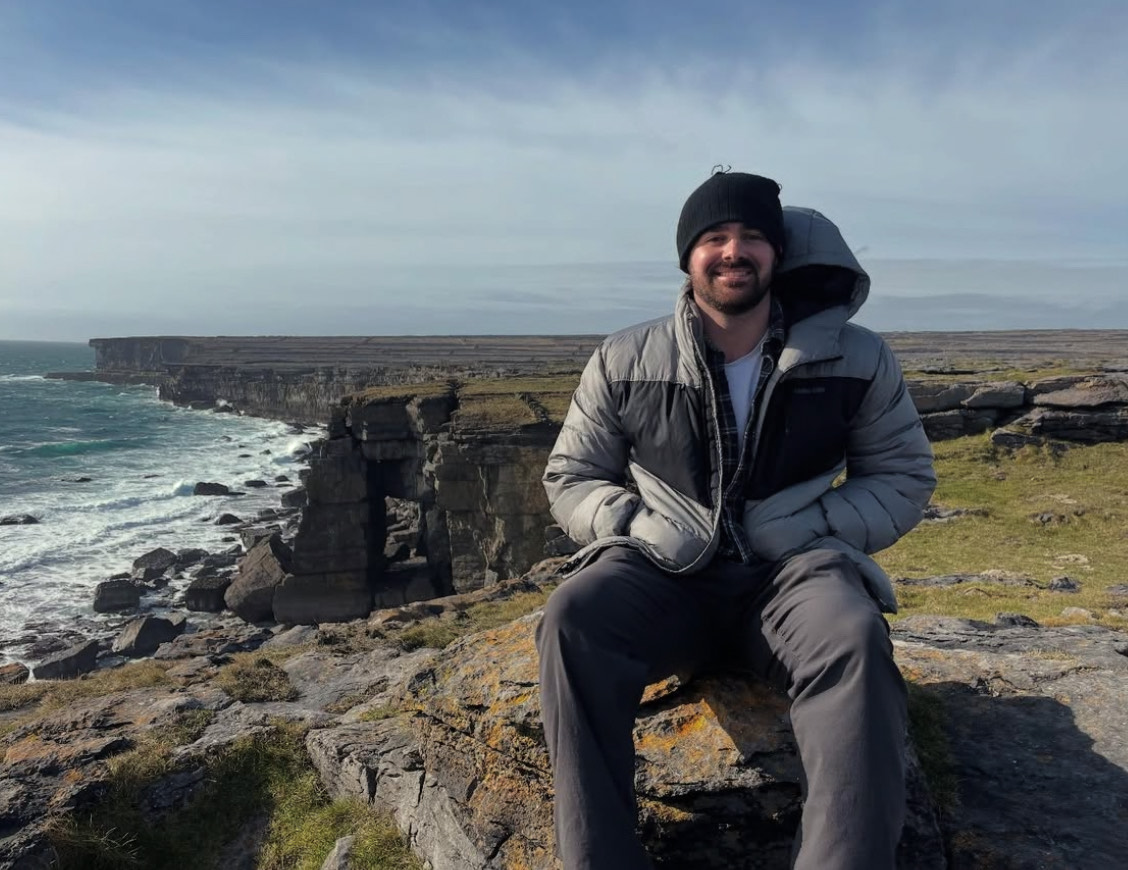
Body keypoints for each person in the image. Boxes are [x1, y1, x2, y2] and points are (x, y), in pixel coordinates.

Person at [536, 169, 937, 870]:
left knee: (852, 636)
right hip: (661, 575)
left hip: (791, 578)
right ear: (687, 256)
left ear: (778, 254)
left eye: (752, 236)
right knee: (571, 619)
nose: (733, 251)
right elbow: (571, 477)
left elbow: (902, 476)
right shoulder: (626, 356)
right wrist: (630, 524)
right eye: (714, 237)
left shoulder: (859, 357)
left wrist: (813, 529)